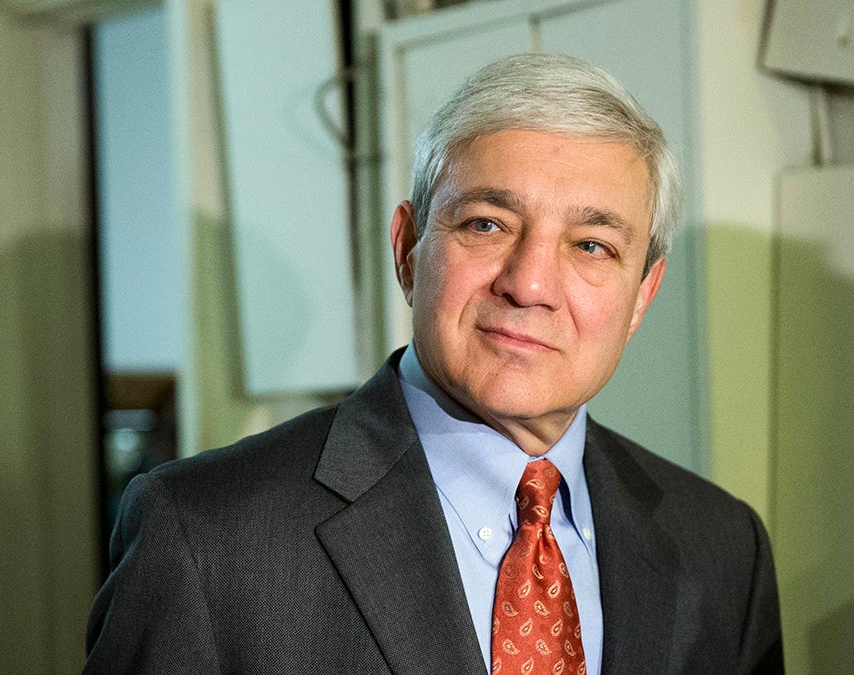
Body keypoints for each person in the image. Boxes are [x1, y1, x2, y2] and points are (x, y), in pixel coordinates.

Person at [83, 53, 783, 674]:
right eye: (487, 224)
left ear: (642, 296)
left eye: (591, 245)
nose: (529, 284)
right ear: (409, 248)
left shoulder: (723, 548)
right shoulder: (206, 535)